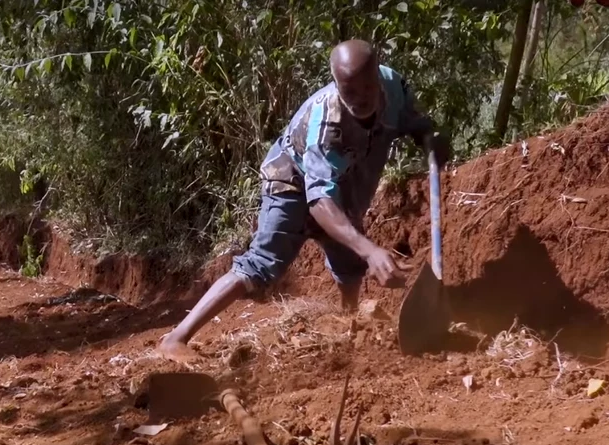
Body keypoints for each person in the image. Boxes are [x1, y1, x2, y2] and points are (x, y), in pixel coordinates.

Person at [157, 40, 452, 363]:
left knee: (350, 264)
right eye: (348, 91)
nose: (359, 99)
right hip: (291, 181)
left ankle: (346, 326)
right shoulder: (326, 122)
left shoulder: (395, 88)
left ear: (377, 77)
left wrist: (430, 136)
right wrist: (370, 248)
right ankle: (176, 337)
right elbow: (320, 202)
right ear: (336, 84)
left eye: (367, 87)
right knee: (262, 263)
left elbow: (413, 121)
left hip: (345, 182)